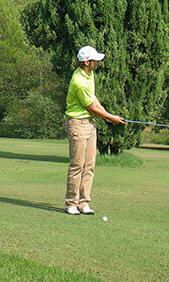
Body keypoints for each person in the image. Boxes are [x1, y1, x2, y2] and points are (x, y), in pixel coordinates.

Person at [64, 45, 126, 215]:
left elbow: (94, 99)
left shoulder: (89, 74)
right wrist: (110, 118)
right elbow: (91, 107)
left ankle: (84, 203)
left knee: (89, 165)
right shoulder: (79, 81)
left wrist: (108, 113)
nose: (98, 62)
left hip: (90, 124)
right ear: (86, 62)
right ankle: (71, 203)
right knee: (77, 165)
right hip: (77, 123)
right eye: (95, 60)